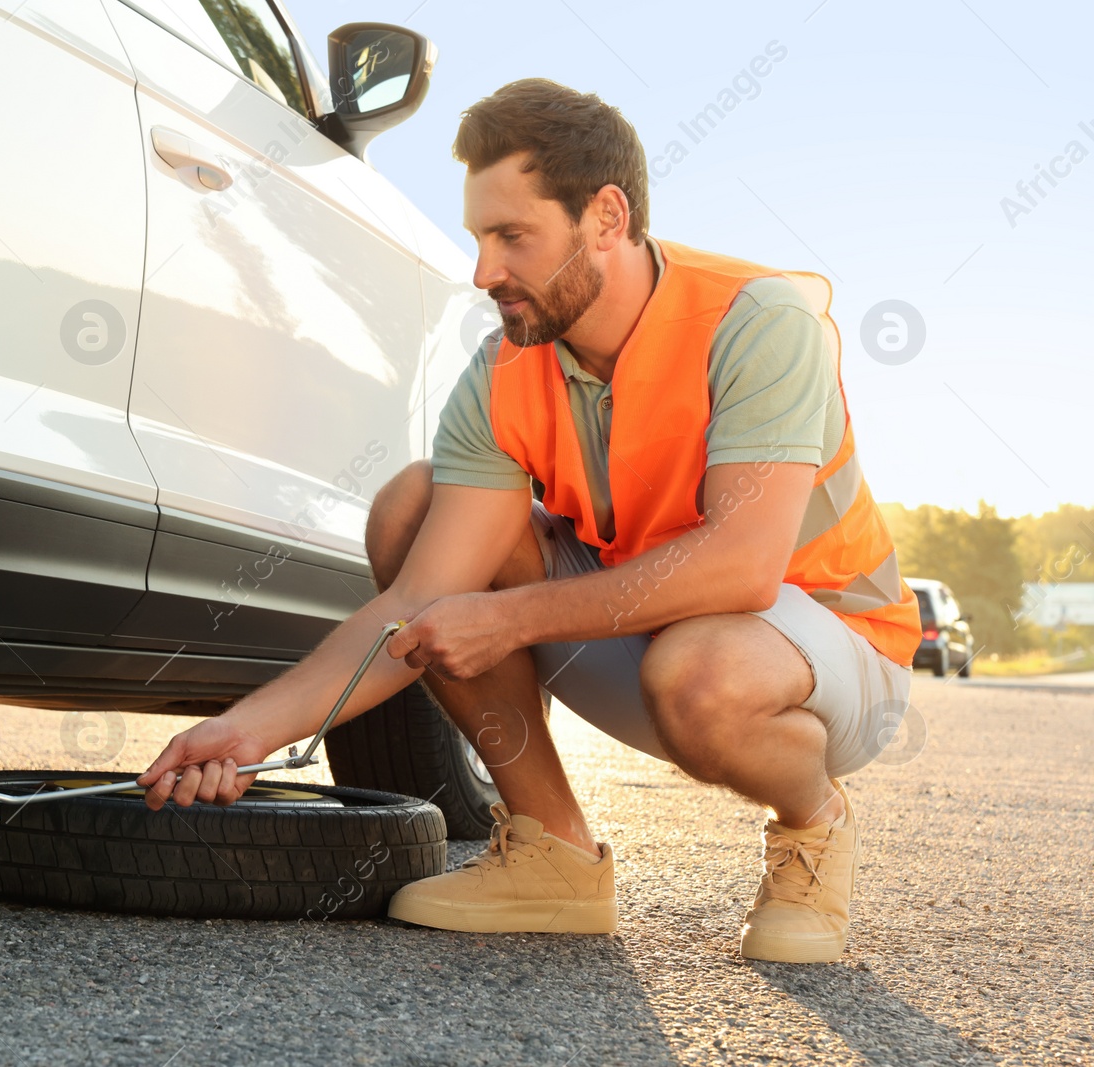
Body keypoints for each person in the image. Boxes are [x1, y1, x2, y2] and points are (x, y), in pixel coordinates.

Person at [136, 78, 919, 964]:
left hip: (824, 652)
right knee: (414, 507)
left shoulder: (758, 320)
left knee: (702, 670)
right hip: (654, 632)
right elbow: (422, 597)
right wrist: (246, 732)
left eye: (513, 236)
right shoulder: (509, 363)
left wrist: (505, 616)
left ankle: (813, 822)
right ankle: (555, 854)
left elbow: (741, 566)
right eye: (478, 236)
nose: (483, 272)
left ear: (606, 217)